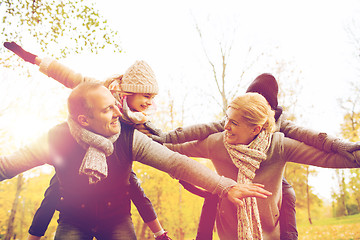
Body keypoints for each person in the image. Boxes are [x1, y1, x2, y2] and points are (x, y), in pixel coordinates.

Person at [3, 42, 171, 239]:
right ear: (129, 92)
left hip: (116, 158)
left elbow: (164, 142)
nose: (150, 102)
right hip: (79, 149)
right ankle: (34, 235)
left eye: (153, 97)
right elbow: (68, 76)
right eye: (146, 95)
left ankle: (159, 232)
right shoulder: (100, 91)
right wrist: (31, 58)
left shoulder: (140, 120)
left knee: (134, 186)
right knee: (55, 191)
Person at [164, 92, 360, 240]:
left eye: (233, 123)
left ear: (255, 129)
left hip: (269, 233)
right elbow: (172, 148)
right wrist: (141, 138)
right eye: (226, 119)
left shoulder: (278, 146)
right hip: (229, 233)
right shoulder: (216, 143)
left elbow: (326, 158)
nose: (225, 127)